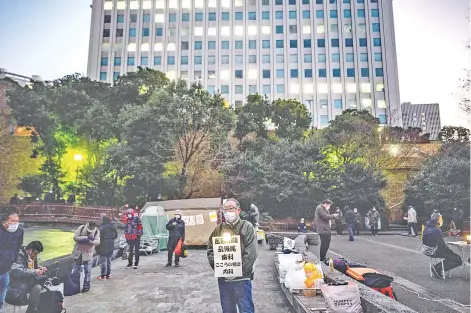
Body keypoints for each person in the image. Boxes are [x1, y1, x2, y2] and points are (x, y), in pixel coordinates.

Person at [207, 198, 257, 313]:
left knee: (246, 309)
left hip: (242, 279)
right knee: (227, 309)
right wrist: (219, 267)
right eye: (226, 209)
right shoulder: (218, 229)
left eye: (231, 208)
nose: (228, 211)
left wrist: (237, 270)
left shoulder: (247, 227)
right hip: (224, 280)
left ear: (238, 210)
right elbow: (210, 250)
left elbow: (251, 253)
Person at [6, 241, 47, 313]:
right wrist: (35, 271)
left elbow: (32, 268)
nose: (36, 255)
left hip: (26, 282)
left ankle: (31, 310)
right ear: (30, 250)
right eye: (36, 253)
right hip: (16, 285)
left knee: (41, 286)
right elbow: (17, 272)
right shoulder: (18, 255)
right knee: (38, 287)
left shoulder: (31, 256)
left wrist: (40, 269)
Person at [0, 212, 24, 311]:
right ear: (4, 222)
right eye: (13, 221)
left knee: (3, 289)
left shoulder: (20, 231)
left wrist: (13, 259)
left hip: (6, 267)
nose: (15, 224)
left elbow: (18, 247)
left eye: (17, 221)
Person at [71, 221, 100, 292]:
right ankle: (75, 286)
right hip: (78, 252)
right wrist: (85, 238)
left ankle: (86, 286)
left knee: (88, 271)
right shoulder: (81, 228)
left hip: (88, 253)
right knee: (76, 271)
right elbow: (75, 237)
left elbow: (97, 241)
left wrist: (91, 242)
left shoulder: (96, 231)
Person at [96, 216, 118, 280]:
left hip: (103, 246)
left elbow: (99, 238)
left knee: (103, 261)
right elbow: (115, 236)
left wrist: (97, 247)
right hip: (111, 245)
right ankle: (108, 274)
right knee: (108, 261)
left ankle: (103, 275)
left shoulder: (102, 228)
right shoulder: (113, 227)